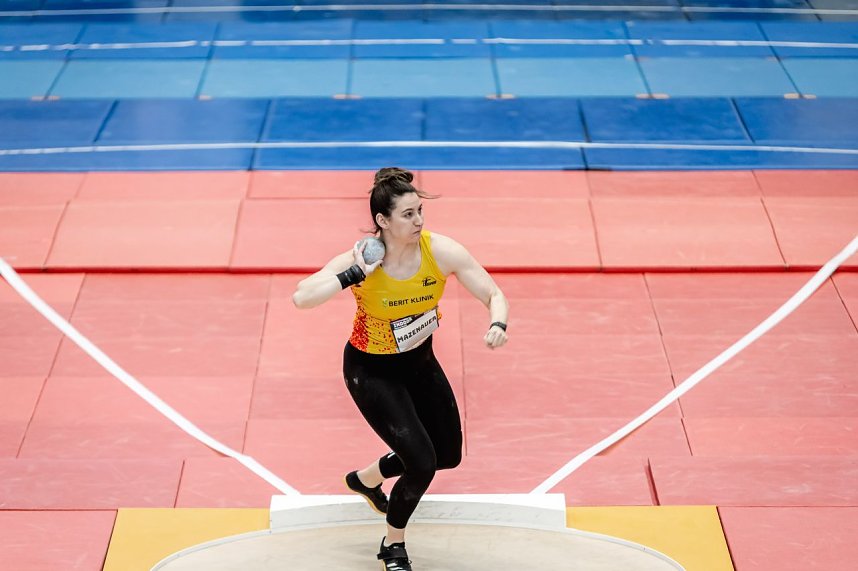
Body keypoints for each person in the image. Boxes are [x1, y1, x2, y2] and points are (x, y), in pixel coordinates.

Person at [292, 167, 509, 571]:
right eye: (407, 214)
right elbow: (301, 298)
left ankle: (367, 478)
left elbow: (493, 291)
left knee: (447, 455)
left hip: (420, 364)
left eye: (420, 212)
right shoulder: (360, 260)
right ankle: (393, 546)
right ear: (382, 221)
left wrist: (498, 321)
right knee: (422, 463)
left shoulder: (440, 251)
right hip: (371, 371)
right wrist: (353, 275)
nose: (419, 221)